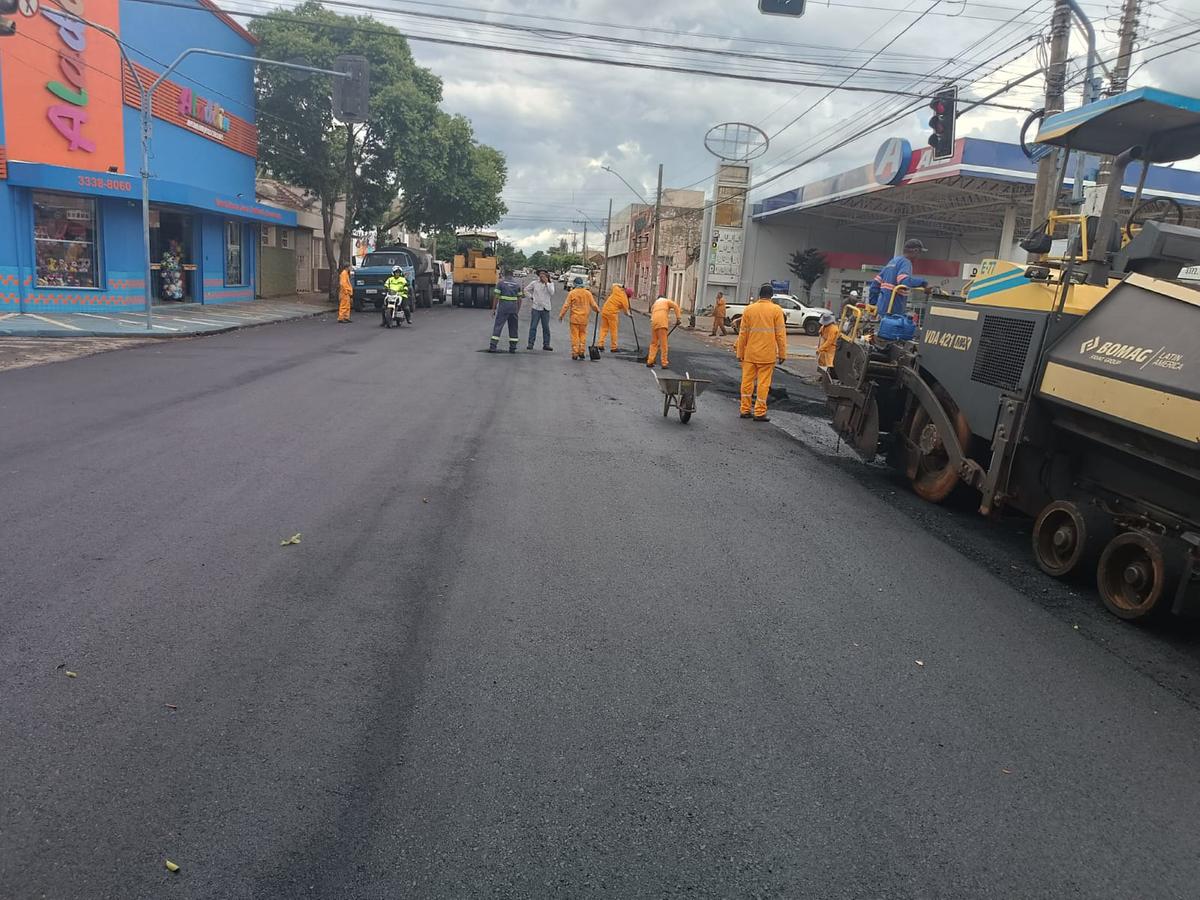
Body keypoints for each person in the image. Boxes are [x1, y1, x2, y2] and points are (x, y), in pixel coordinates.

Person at [735, 283, 787, 422]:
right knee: (763, 384)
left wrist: (740, 352)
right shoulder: (776, 310)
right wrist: (782, 353)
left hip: (750, 354)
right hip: (767, 355)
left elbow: (742, 333)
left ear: (759, 294)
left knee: (747, 382)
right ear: (771, 296)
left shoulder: (749, 309)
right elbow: (780, 334)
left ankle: (745, 410)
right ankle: (759, 412)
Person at [868, 238, 928, 318]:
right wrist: (923, 283)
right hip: (894, 312)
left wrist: (873, 306)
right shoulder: (906, 262)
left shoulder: (893, 261)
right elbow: (903, 280)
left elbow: (874, 286)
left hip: (882, 311)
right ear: (915, 251)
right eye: (920, 253)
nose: (919, 256)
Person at [559, 277, 599, 359]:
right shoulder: (588, 293)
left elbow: (566, 305)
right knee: (583, 335)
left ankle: (575, 353)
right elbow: (593, 305)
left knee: (575, 336)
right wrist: (597, 310)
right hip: (584, 319)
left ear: (575, 284)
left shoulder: (572, 293)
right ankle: (581, 351)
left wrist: (561, 315)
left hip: (574, 319)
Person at [646, 295, 682, 369]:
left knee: (654, 343)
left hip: (654, 323)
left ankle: (650, 361)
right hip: (662, 323)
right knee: (663, 345)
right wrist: (678, 318)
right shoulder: (666, 301)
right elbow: (675, 306)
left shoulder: (655, 303)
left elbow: (653, 312)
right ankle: (664, 363)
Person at [489, 272, 522, 353]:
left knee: (498, 326)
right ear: (512, 276)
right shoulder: (517, 285)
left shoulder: (501, 283)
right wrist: (517, 310)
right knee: (513, 328)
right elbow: (520, 299)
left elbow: (496, 297)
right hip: (513, 309)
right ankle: (513, 347)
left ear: (504, 276)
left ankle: (493, 346)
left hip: (503, 308)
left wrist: (493, 309)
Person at [524, 269, 555, 350]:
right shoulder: (534, 283)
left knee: (546, 328)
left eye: (543, 275)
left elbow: (552, 293)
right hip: (536, 308)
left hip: (545, 308)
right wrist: (531, 297)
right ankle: (530, 343)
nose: (542, 276)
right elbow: (525, 290)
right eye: (540, 275)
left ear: (546, 276)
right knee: (533, 326)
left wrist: (546, 283)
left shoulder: (550, 284)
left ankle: (546, 344)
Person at [598, 282, 630, 352]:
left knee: (604, 328)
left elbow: (613, 284)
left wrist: (621, 285)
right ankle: (613, 347)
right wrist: (630, 315)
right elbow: (626, 312)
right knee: (613, 330)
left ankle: (600, 344)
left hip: (605, 310)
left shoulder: (617, 290)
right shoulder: (625, 300)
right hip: (612, 313)